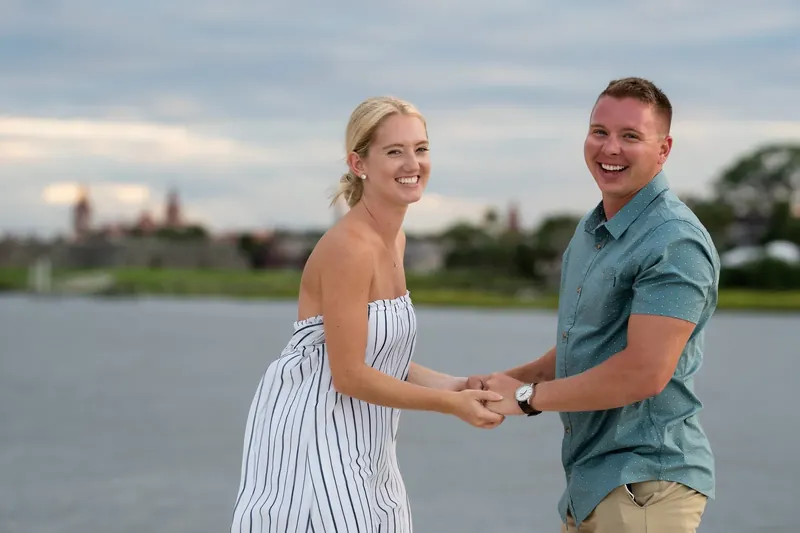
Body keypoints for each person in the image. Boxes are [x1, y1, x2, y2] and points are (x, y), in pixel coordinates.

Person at [229, 96, 505, 533]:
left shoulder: (395, 241)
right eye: (394, 151)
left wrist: (453, 383)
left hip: (365, 439)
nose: (412, 162)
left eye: (421, 148)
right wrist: (450, 404)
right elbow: (350, 374)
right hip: (314, 436)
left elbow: (379, 352)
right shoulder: (349, 248)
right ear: (359, 164)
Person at [468, 77, 719, 532]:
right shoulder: (593, 227)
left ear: (663, 150)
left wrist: (525, 399)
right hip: (590, 486)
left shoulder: (675, 240)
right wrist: (511, 380)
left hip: (646, 488)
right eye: (600, 131)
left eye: (630, 136)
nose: (610, 148)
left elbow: (643, 372)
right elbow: (591, 345)